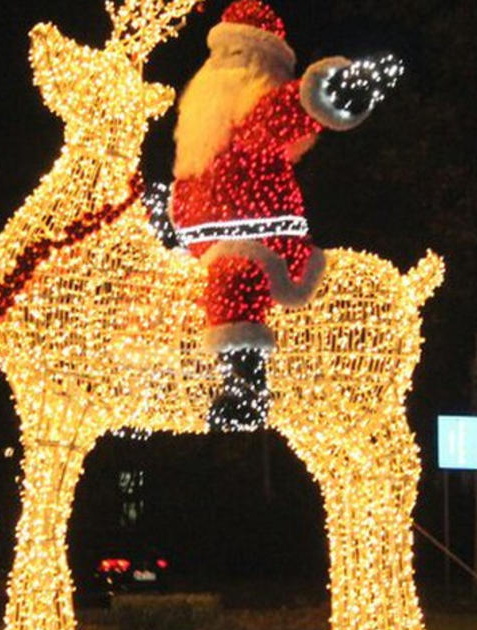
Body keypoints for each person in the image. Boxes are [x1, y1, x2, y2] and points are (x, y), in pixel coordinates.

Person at [170, 0, 402, 431]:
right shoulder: (199, 140)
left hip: (265, 245)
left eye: (237, 56)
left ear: (257, 68)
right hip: (199, 247)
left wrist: (329, 92)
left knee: (235, 275)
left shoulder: (253, 115)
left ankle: (246, 385)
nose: (222, 68)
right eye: (221, 55)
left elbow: (284, 113)